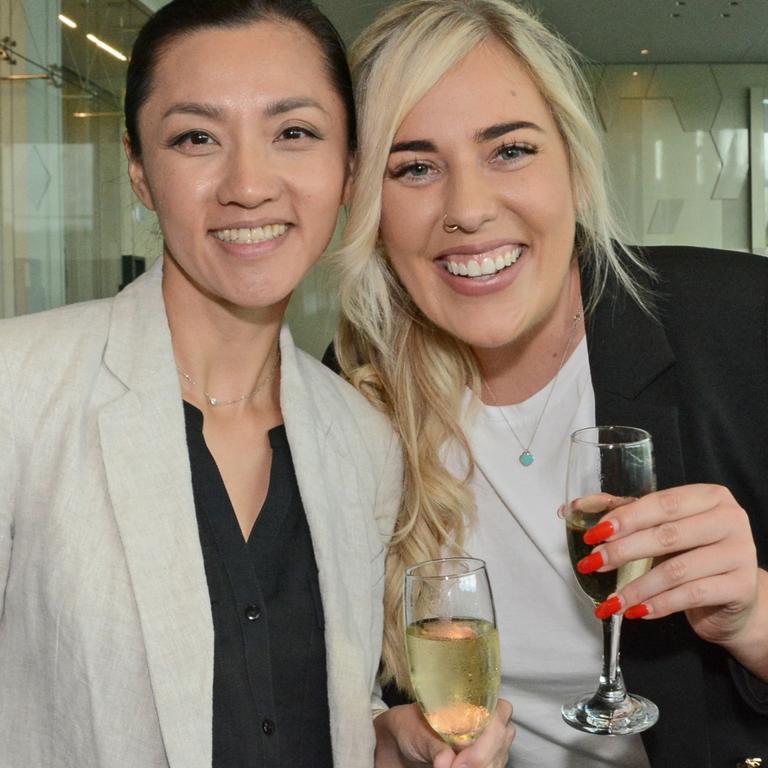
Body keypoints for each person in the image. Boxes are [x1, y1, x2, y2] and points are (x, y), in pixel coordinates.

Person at [334, 0, 768, 765]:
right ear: (368, 205)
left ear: (572, 162)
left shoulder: (740, 325)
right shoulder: (350, 394)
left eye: (509, 151)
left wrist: (755, 616)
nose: (466, 209)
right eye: (414, 167)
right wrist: (378, 740)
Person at [0, 1, 409, 766]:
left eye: (293, 133)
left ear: (349, 167)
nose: (248, 185)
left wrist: (386, 741)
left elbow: (323, 706)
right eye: (196, 138)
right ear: (139, 170)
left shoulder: (364, 441)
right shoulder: (16, 392)